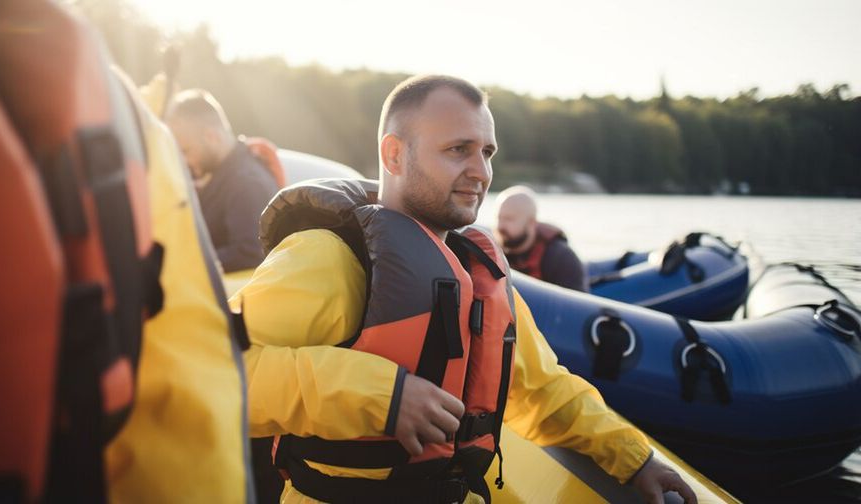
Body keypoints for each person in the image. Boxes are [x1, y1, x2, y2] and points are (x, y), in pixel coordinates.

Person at [231, 75, 696, 504]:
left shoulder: (477, 272)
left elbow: (540, 389)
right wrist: (380, 396)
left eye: (487, 152)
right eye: (459, 149)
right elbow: (211, 369)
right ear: (394, 155)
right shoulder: (327, 257)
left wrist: (635, 458)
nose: (481, 172)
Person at [166, 89, 281, 273]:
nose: (183, 161)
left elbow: (250, 253)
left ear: (212, 137)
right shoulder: (218, 175)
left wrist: (180, 264)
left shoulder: (246, 183)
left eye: (186, 151)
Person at [495, 185, 589, 291]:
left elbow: (575, 304)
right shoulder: (494, 252)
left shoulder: (560, 257)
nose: (500, 226)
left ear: (531, 223)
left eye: (509, 219)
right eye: (499, 218)